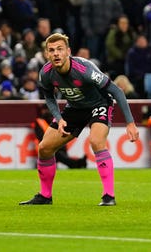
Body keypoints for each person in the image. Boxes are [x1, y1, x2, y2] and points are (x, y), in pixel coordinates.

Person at [20, 33, 139, 206]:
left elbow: (117, 91)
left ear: (68, 51)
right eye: (51, 50)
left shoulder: (84, 70)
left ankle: (108, 196)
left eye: (60, 49)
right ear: (47, 54)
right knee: (44, 148)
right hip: (74, 108)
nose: (56, 54)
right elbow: (48, 96)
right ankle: (45, 196)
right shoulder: (45, 73)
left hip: (99, 104)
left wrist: (130, 122)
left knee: (96, 141)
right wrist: (59, 118)